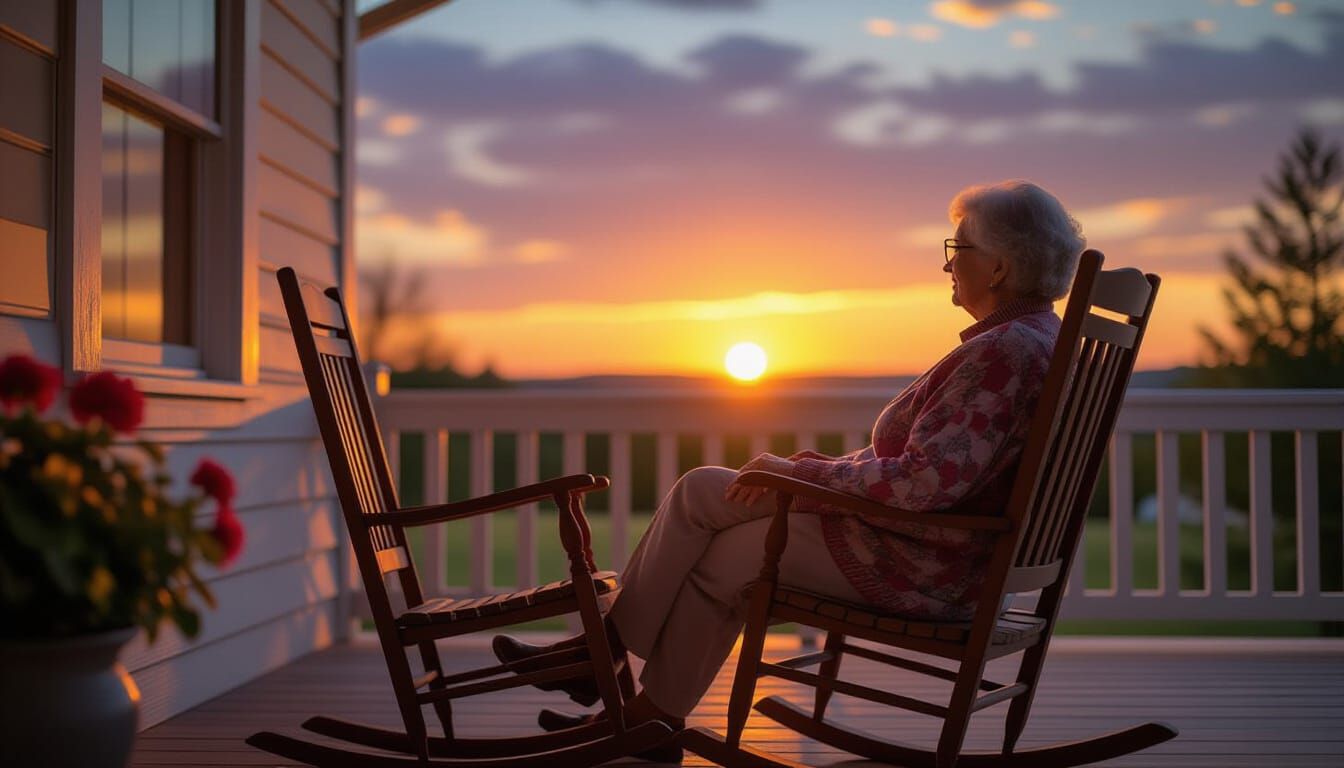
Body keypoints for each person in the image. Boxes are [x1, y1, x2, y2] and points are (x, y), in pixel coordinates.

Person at [493, 179, 1086, 762]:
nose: (947, 266)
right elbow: (932, 468)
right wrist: (814, 468)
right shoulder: (1039, 341)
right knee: (704, 491)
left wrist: (803, 480)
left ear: (1001, 269)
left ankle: (626, 693)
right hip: (939, 552)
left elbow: (920, 484)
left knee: (722, 561)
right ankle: (617, 682)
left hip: (925, 564)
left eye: (958, 250)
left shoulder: (1002, 354)